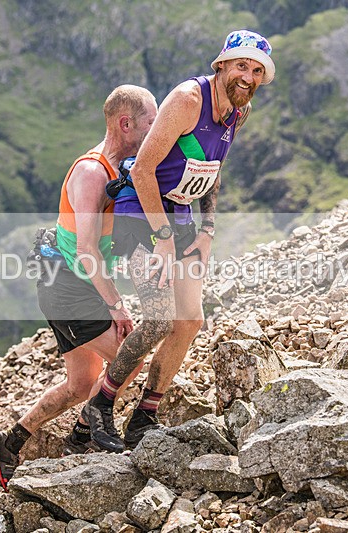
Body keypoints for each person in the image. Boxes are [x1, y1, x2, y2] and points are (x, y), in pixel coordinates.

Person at [83, 30, 276, 452]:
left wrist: (207, 232)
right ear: (221, 65)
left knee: (189, 321)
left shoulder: (237, 113)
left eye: (257, 71)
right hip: (141, 213)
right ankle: (97, 408)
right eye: (241, 65)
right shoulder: (190, 99)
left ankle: (144, 417)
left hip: (180, 215)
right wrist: (164, 236)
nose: (248, 76)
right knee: (157, 317)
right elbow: (142, 170)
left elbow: (212, 170)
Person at [0, 85, 158, 491]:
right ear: (126, 123)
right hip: (68, 283)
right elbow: (84, 250)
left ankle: (9, 442)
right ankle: (86, 432)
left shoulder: (126, 166)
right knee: (129, 358)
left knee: (82, 384)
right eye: (152, 121)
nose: (158, 129)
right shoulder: (92, 172)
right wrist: (116, 304)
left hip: (77, 283)